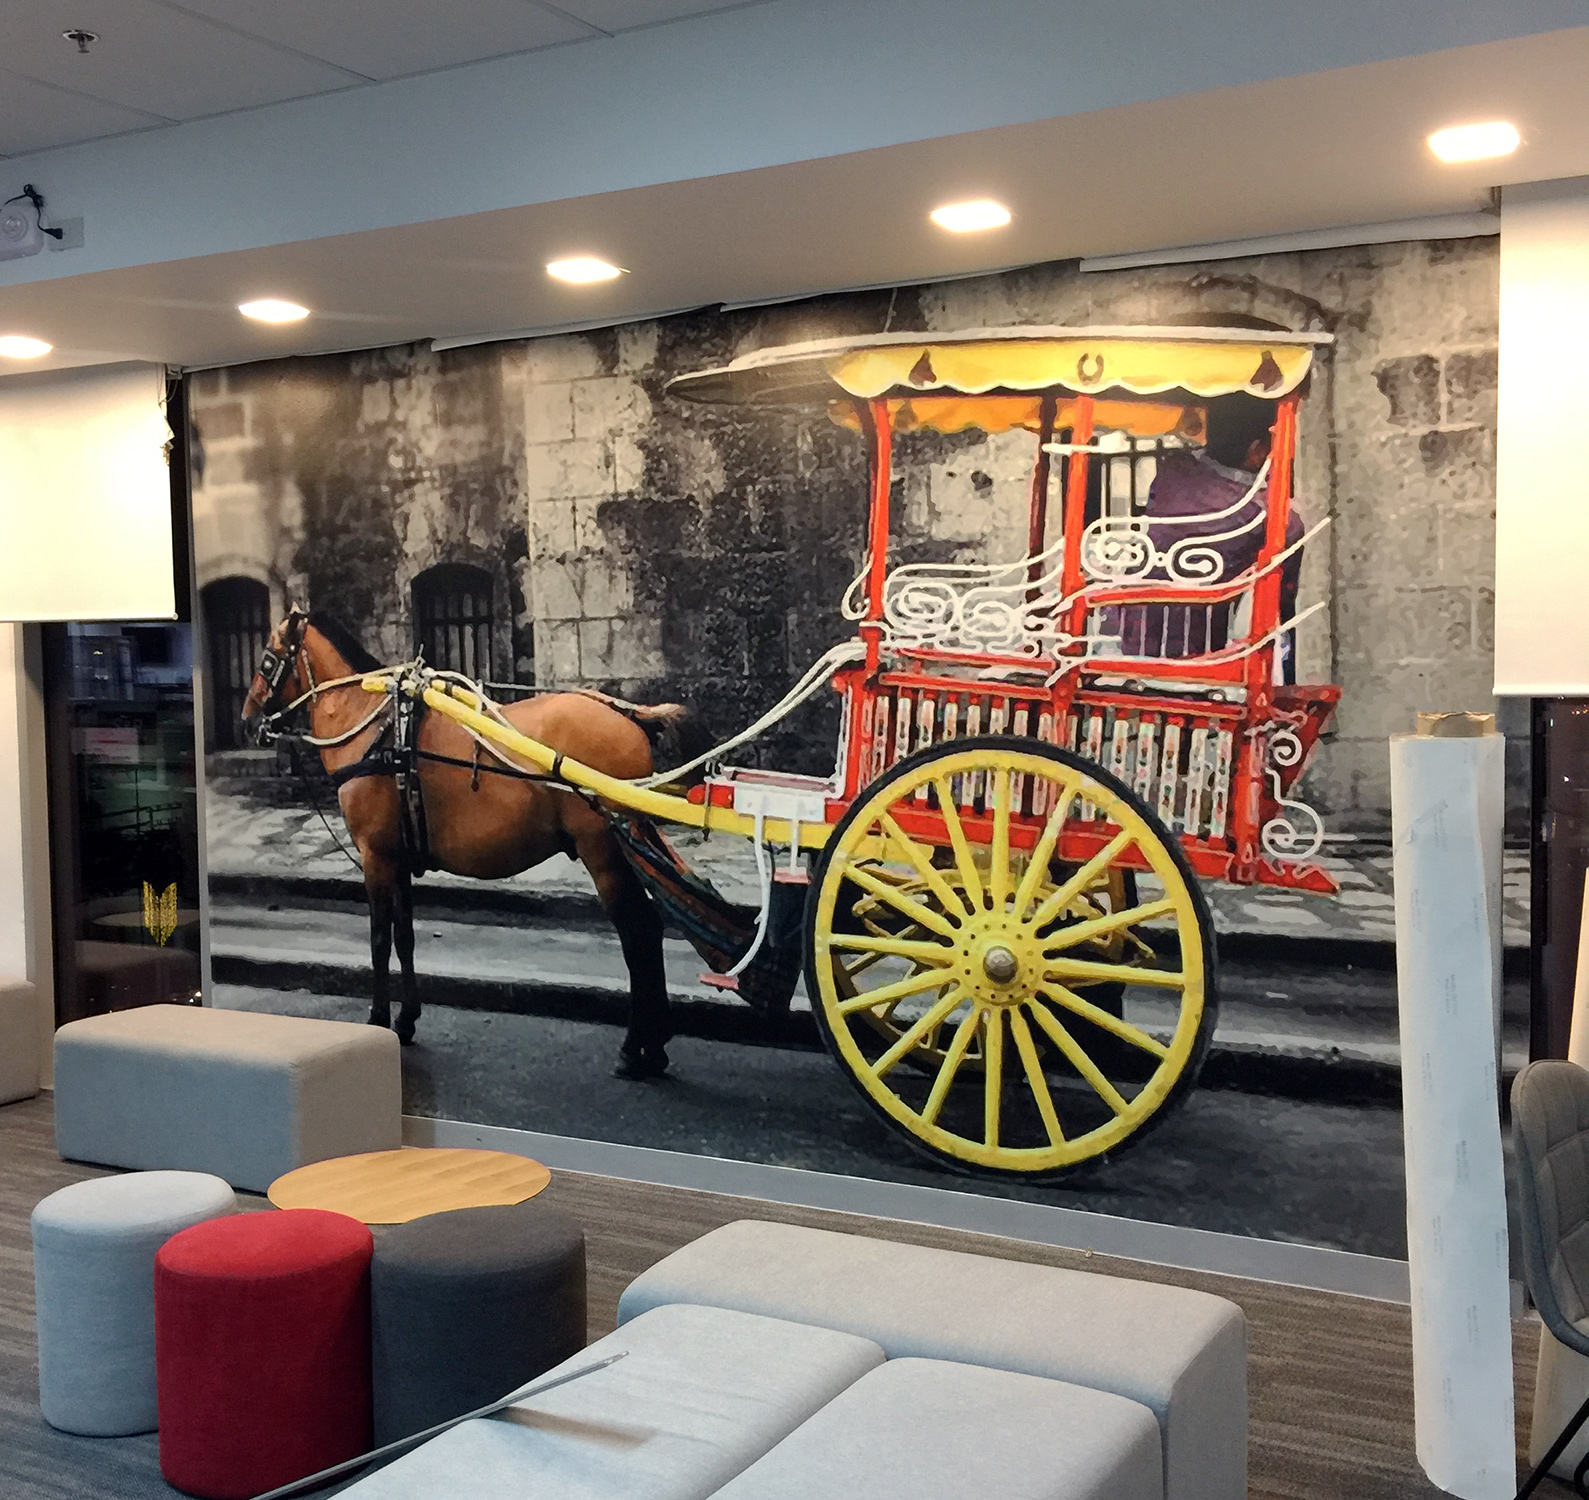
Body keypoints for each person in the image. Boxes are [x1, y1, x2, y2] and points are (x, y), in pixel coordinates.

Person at [1116, 392, 1304, 680]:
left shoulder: (1171, 475)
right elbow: (1286, 586)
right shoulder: (1261, 513)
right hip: (1201, 648)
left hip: (1131, 629)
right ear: (1256, 451)